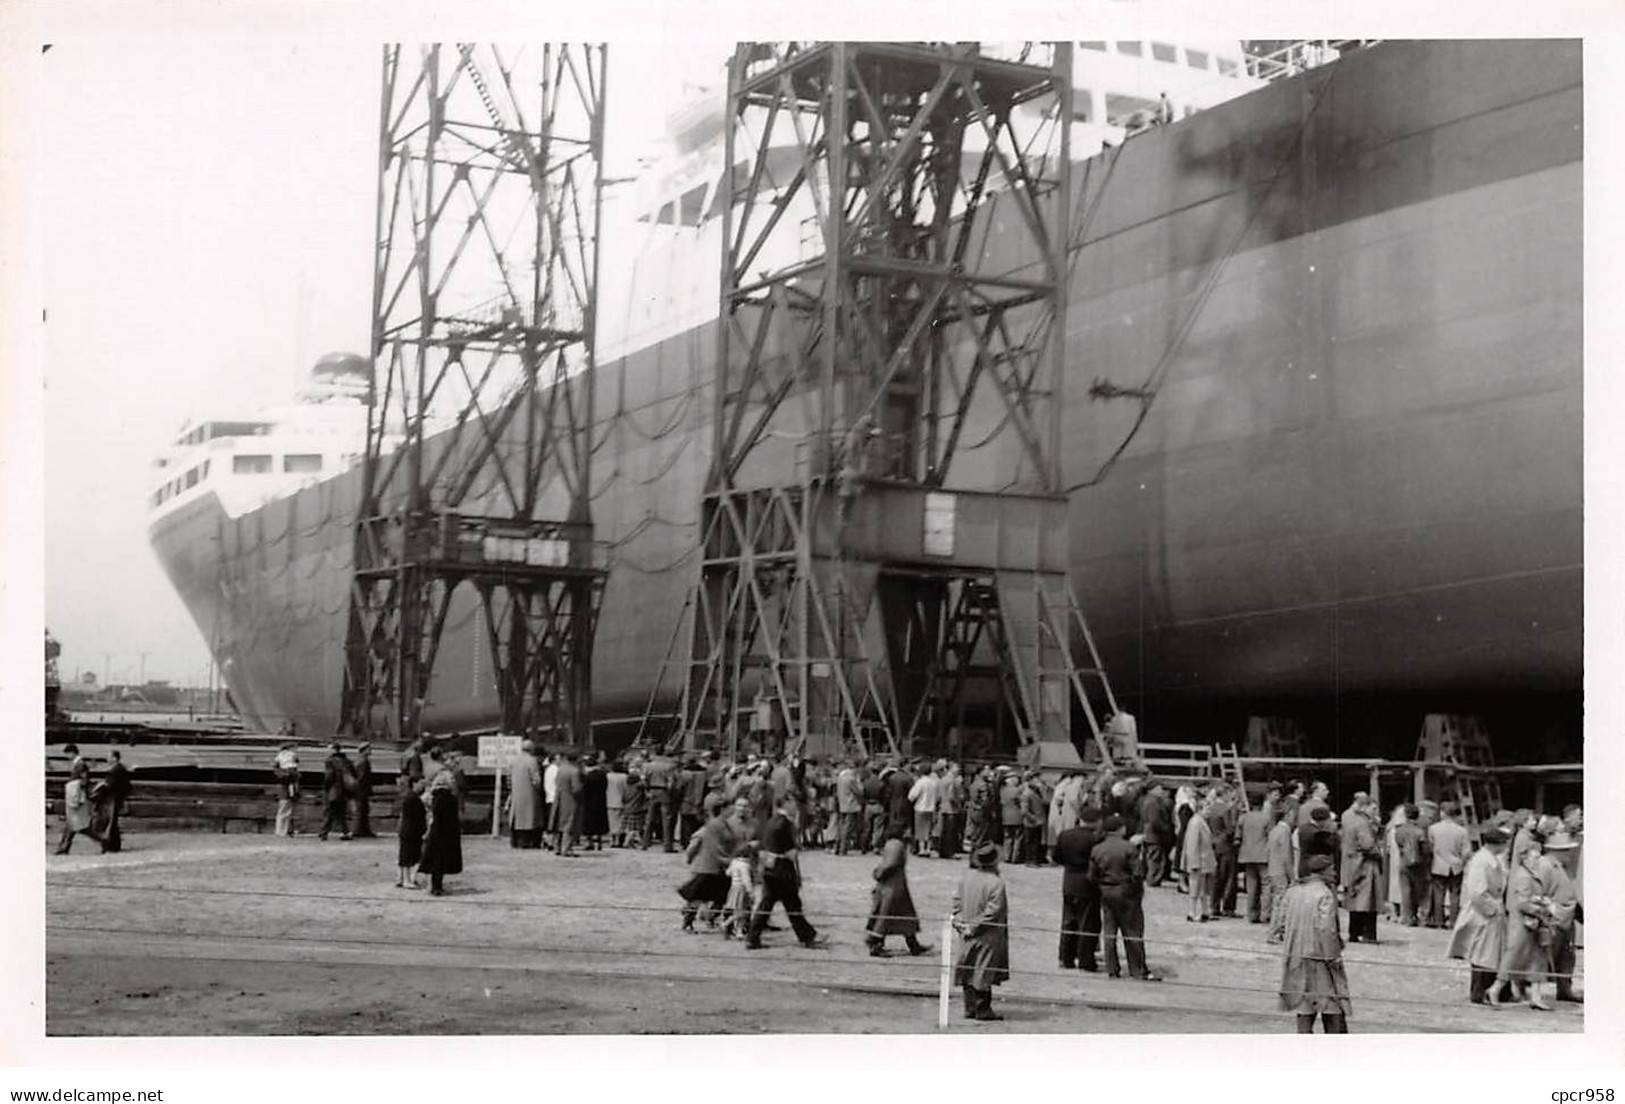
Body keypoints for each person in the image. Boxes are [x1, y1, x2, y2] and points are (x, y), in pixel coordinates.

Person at [1494, 817, 1578, 1010]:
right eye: (1567, 850)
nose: (1570, 854)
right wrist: (1546, 909)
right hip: (1545, 918)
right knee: (1529, 957)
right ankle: (1512, 989)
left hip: (1557, 918)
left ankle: (1554, 990)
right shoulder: (1546, 866)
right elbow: (1536, 892)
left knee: (1556, 957)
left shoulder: (1558, 867)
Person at [1278, 839, 1351, 1033]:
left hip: (1297, 956)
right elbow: (1327, 930)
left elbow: (1281, 923)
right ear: (1322, 871)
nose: (1335, 873)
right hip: (1320, 959)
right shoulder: (1324, 894)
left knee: (1304, 1008)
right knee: (1332, 1007)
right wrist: (1334, 956)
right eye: (1332, 869)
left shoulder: (1293, 892)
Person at [1090, 813, 1161, 981]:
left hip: (1106, 892)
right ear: (1120, 829)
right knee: (1132, 932)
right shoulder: (1129, 848)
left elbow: (1092, 875)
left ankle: (1112, 969)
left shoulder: (1097, 849)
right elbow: (1138, 874)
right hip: (1127, 893)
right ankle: (1137, 969)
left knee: (1109, 932)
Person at [747, 793, 821, 949]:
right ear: (785, 803)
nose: (795, 806)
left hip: (770, 869)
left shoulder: (771, 821)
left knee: (772, 904)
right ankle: (806, 936)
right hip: (782, 870)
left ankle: (754, 937)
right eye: (792, 803)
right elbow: (791, 852)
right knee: (790, 905)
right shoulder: (784, 824)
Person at [1448, 824, 1510, 1004]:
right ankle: (1478, 992)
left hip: (1493, 910)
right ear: (1496, 844)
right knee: (1482, 953)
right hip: (1482, 913)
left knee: (1491, 952)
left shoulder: (1492, 859)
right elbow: (1476, 891)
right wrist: (1491, 909)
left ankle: (1489, 990)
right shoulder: (1481, 861)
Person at [952, 841, 1010, 1021]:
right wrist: (974, 926)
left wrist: (962, 924)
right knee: (983, 971)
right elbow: (993, 911)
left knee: (968, 968)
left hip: (967, 933)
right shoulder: (996, 883)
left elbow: (956, 903)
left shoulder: (966, 878)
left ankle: (969, 1007)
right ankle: (983, 1009)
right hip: (987, 935)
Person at [1053, 805, 1106, 971]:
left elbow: (1057, 857)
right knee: (1088, 923)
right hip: (1088, 883)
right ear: (1097, 822)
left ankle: (1065, 957)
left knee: (1068, 921)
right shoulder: (1096, 839)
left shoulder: (1065, 835)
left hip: (1069, 880)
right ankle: (1085, 960)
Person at [679, 797, 743, 932]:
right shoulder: (713, 826)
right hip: (708, 867)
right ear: (723, 809)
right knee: (698, 896)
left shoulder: (724, 824)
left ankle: (711, 918)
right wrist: (727, 860)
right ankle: (689, 921)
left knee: (720, 895)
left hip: (718, 867)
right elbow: (712, 847)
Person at [866, 825, 931, 957]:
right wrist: (879, 873)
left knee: (906, 917)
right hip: (893, 886)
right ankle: (875, 944)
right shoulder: (896, 845)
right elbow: (891, 863)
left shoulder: (893, 843)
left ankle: (913, 945)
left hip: (895, 885)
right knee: (887, 916)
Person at [1340, 793, 1384, 943]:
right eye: (1373, 808)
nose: (1375, 812)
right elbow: (1367, 845)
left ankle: (1354, 932)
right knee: (1368, 900)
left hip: (1353, 863)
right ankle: (1368, 934)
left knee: (1355, 900)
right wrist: (1379, 853)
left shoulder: (1350, 819)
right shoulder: (1362, 823)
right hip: (1365, 865)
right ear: (1364, 807)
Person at [418, 752, 463, 896]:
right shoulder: (447, 787)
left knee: (431, 852)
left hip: (435, 824)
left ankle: (430, 883)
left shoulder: (435, 793)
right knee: (439, 854)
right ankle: (435, 885)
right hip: (443, 828)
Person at [1427, 801, 1471, 928]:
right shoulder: (1462, 831)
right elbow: (1466, 851)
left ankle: (1439, 921)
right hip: (1456, 866)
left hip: (1438, 865)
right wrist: (1461, 861)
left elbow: (1431, 847)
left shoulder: (1433, 829)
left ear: (1442, 813)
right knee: (1455, 895)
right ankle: (1453, 921)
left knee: (1438, 894)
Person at [1237, 792, 1273, 923]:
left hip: (1247, 855)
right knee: (1266, 885)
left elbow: (1237, 837)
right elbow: (1271, 836)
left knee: (1251, 886)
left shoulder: (1243, 818)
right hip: (1263, 855)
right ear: (1263, 804)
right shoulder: (1266, 818)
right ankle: (1265, 914)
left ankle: (1251, 914)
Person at [1393, 804, 1428, 925]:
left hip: (1404, 862)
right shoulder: (1420, 832)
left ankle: (1407, 917)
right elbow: (1425, 849)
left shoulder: (1399, 830)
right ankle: (1417, 915)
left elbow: (1399, 844)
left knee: (1405, 890)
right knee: (1418, 890)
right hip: (1418, 863)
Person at [1182, 797, 1216, 922]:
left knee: (1202, 888)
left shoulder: (1201, 821)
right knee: (1195, 887)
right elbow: (1192, 844)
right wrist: (1193, 862)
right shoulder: (1196, 822)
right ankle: (1192, 911)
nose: (1210, 811)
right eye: (1207, 808)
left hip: (1203, 860)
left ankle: (1204, 911)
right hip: (1198, 861)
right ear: (1200, 809)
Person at [1264, 805, 1294, 943]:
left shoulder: (1274, 830)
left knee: (1278, 901)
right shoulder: (1285, 831)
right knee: (1281, 903)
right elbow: (1286, 855)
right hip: (1281, 870)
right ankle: (1275, 932)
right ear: (1287, 815)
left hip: (1273, 868)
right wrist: (1292, 875)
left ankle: (1278, 931)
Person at [1208, 786, 1239, 917]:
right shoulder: (1226, 809)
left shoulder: (1211, 808)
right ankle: (1228, 907)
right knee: (1229, 878)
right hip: (1226, 845)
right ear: (1225, 794)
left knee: (1216, 877)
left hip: (1214, 844)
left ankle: (1214, 905)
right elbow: (1230, 829)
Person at [508, 740, 544, 849]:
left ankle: (515, 841)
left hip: (516, 793)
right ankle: (528, 842)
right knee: (530, 818)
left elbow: (508, 778)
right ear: (531, 749)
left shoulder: (513, 760)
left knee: (516, 818)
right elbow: (536, 780)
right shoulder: (532, 761)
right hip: (530, 794)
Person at [1138, 783, 1173, 887]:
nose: (1161, 790)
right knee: (1155, 857)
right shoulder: (1153, 802)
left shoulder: (1152, 801)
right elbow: (1155, 820)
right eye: (1159, 788)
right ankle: (1153, 879)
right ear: (1152, 790)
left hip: (1152, 833)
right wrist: (1166, 828)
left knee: (1155, 857)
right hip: (1154, 834)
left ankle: (1154, 878)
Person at [318, 743, 353, 841]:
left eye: (329, 749)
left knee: (329, 811)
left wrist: (325, 787)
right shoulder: (347, 761)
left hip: (332, 790)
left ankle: (323, 833)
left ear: (334, 750)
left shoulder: (330, 761)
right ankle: (345, 832)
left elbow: (329, 776)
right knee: (341, 812)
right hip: (344, 791)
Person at [396, 778, 427, 888]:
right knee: (409, 856)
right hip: (411, 830)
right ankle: (407, 880)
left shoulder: (406, 797)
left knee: (404, 855)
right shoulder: (412, 798)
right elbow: (417, 816)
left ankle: (401, 878)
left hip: (405, 829)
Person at [100, 749, 132, 853]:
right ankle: (114, 845)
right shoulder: (119, 769)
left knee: (111, 822)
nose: (107, 759)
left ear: (114, 758)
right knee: (113, 822)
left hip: (114, 798)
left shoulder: (116, 770)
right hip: (116, 797)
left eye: (109, 757)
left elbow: (112, 785)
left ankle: (111, 845)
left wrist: (104, 786)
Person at [552, 751, 583, 857]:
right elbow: (577, 789)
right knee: (569, 824)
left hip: (560, 798)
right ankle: (567, 848)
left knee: (559, 824)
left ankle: (558, 847)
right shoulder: (574, 771)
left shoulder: (561, 769)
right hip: (571, 800)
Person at [907, 764, 939, 859]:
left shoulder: (920, 782)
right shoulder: (934, 783)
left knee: (920, 829)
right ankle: (928, 848)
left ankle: (921, 849)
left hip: (920, 808)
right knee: (929, 829)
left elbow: (912, 796)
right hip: (931, 808)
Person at [581, 753, 610, 850]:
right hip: (601, 800)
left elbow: (584, 789)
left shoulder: (587, 777)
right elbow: (606, 787)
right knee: (600, 821)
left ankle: (590, 842)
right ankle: (599, 841)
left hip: (589, 802)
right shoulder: (602, 775)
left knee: (589, 823)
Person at [272, 743, 301, 837]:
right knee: (286, 810)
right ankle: (283, 831)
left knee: (284, 810)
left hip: (286, 790)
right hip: (288, 790)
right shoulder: (290, 771)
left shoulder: (280, 767)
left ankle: (283, 830)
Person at [835, 760, 863, 855]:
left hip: (842, 804)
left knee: (841, 827)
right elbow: (859, 791)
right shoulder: (851, 779)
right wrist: (859, 782)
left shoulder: (840, 777)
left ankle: (837, 847)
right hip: (851, 805)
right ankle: (843, 849)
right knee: (848, 828)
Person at [349, 743, 376, 837]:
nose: (371, 751)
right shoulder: (363, 762)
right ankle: (358, 831)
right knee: (361, 810)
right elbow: (362, 778)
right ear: (364, 750)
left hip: (360, 789)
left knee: (363, 810)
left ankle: (364, 830)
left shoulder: (359, 760)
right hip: (361, 790)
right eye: (369, 749)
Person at [1021, 772, 1048, 866]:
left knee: (1037, 842)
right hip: (1031, 822)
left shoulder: (1037, 792)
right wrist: (1034, 818)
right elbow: (1024, 810)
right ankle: (1029, 860)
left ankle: (1035, 860)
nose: (1038, 782)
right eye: (1035, 780)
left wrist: (1043, 790)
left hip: (1039, 820)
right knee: (1030, 842)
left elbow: (1045, 801)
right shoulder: (1027, 793)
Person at [605, 759, 628, 847]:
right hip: (621, 801)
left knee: (611, 821)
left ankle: (612, 840)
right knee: (620, 822)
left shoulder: (608, 776)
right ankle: (618, 841)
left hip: (609, 800)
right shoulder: (624, 777)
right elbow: (626, 789)